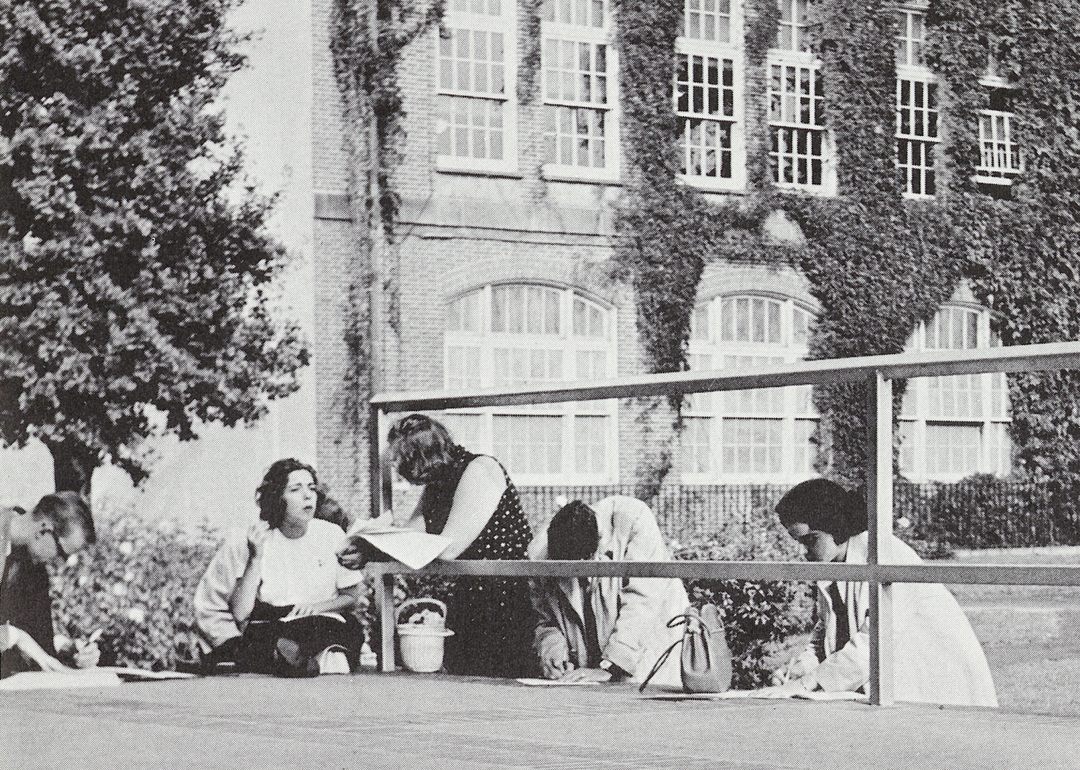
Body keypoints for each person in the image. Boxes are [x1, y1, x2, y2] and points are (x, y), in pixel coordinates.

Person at [764, 478, 998, 707]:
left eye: (811, 540)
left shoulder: (884, 554)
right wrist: (801, 667)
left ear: (833, 524)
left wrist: (810, 682)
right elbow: (825, 630)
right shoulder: (835, 563)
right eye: (799, 542)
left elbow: (875, 639)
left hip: (940, 682)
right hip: (897, 688)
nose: (803, 551)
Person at [339, 414, 537, 678]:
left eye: (403, 461)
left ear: (421, 458)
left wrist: (378, 546)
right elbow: (411, 534)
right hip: (471, 596)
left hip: (507, 597)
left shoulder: (480, 470)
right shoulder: (439, 481)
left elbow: (448, 548)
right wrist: (366, 547)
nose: (400, 470)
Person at [193, 459, 364, 676]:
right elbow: (241, 613)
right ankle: (291, 659)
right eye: (295, 489)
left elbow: (351, 597)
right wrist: (255, 557)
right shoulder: (259, 538)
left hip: (325, 620)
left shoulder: (332, 535)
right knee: (264, 635)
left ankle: (284, 659)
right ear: (277, 498)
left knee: (342, 631)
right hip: (276, 622)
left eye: (311, 488)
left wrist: (319, 606)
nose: (307, 495)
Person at [527, 497, 689, 686]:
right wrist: (552, 650)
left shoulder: (633, 519)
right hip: (587, 673)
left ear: (599, 542)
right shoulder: (539, 555)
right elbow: (544, 618)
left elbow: (643, 601)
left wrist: (611, 666)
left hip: (650, 649)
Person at [1, 493, 99, 678]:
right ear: (43, 530)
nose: (59, 563)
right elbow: (20, 638)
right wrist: (15, 637)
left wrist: (69, 649)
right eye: (62, 553)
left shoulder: (32, 566)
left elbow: (37, 640)